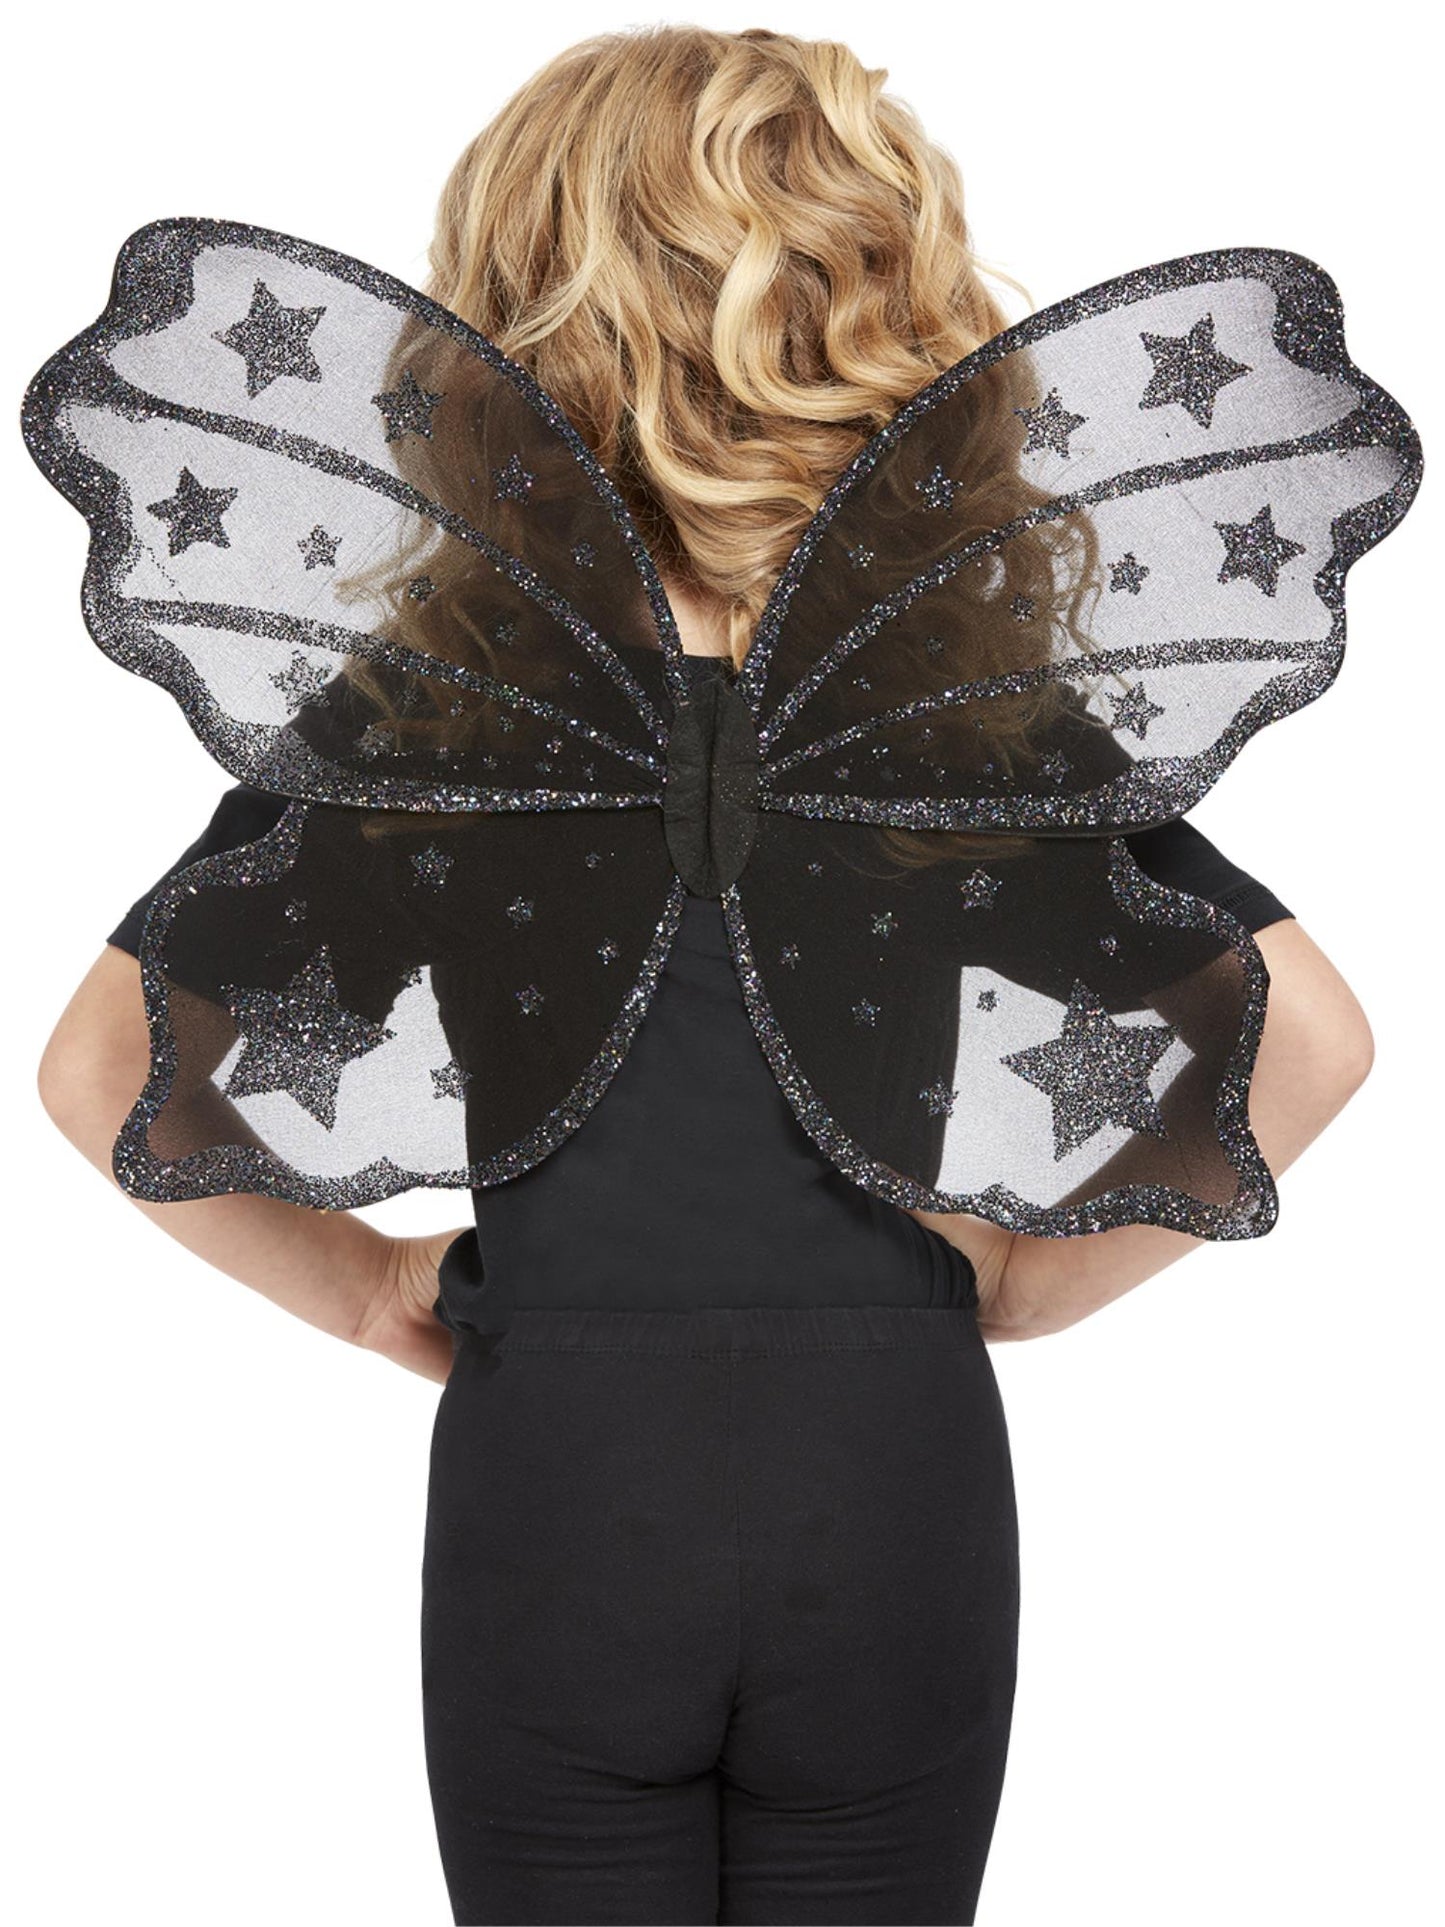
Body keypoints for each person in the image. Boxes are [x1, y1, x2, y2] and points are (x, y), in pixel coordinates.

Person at [35, 25, 1382, 1926]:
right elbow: (1308, 1040)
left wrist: (366, 1290)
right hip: (891, 1460)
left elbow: (103, 1075)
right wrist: (1027, 1282)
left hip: (561, 1471)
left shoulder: (441, 705)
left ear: (504, 309)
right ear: (884, 295)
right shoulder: (954, 699)